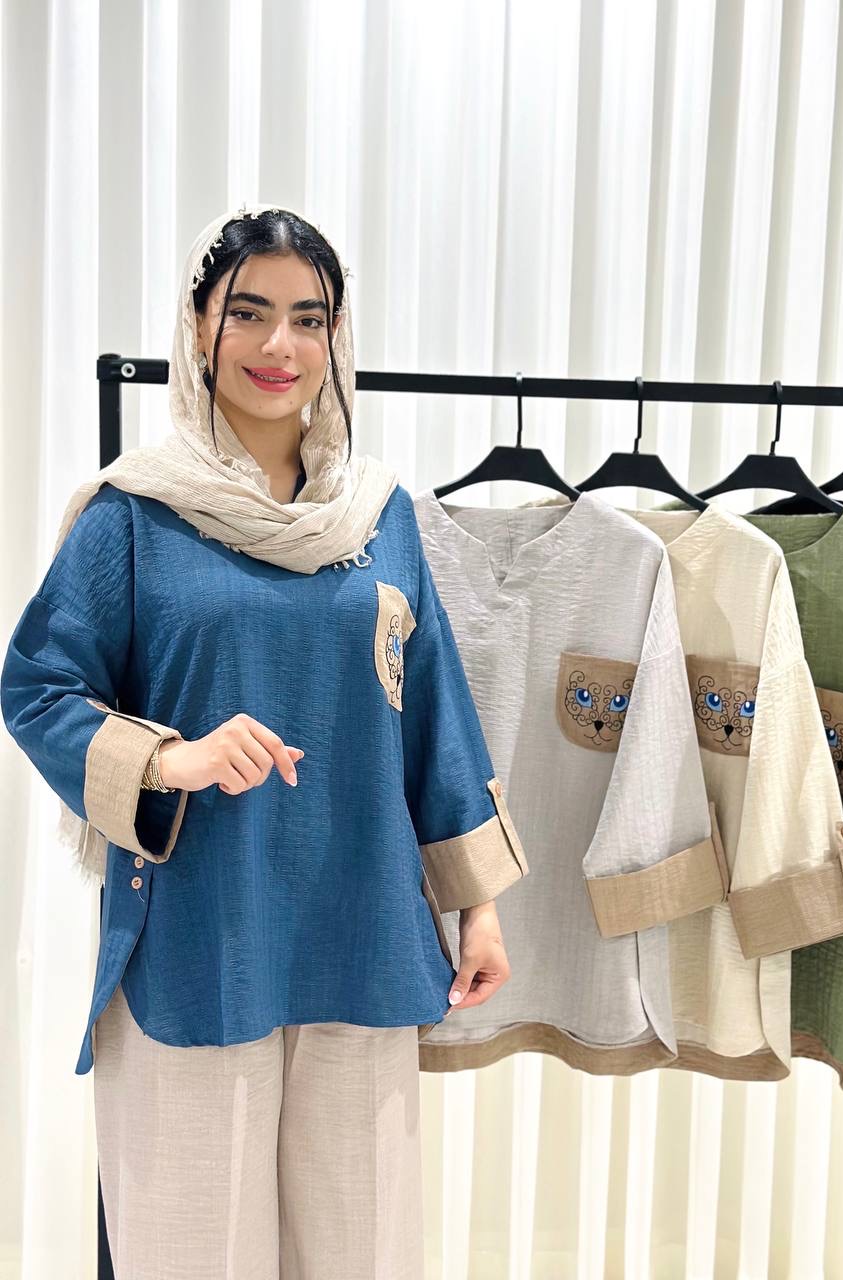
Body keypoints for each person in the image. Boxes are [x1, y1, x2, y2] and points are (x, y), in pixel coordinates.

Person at [0, 202, 529, 1278]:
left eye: (308, 317)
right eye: (247, 312)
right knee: (193, 1253)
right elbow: (39, 688)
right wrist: (171, 760)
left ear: (336, 337)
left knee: (363, 1255)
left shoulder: (380, 516)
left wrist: (478, 906)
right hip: (202, 941)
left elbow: (434, 717)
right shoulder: (135, 514)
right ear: (199, 326)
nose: (278, 345)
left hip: (364, 936)